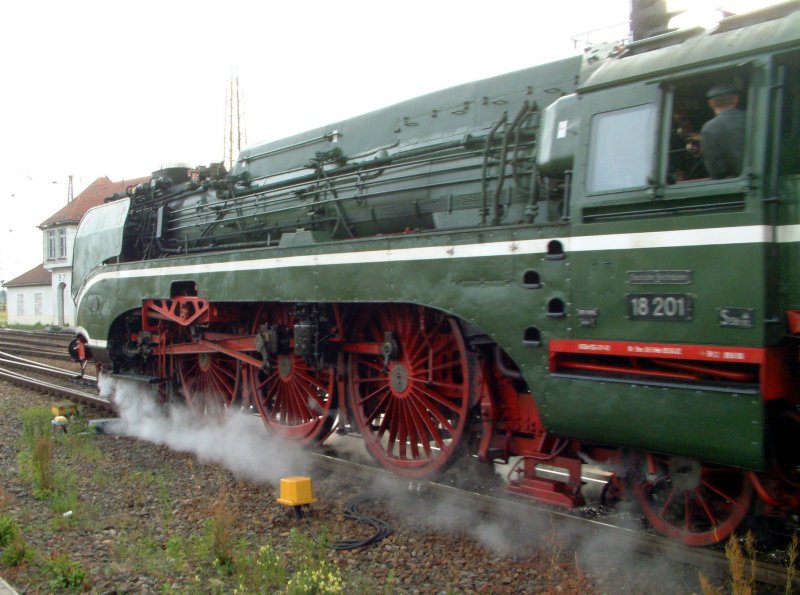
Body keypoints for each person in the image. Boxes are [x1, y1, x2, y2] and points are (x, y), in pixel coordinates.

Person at [700, 84, 745, 179]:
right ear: (736, 99)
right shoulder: (752, 117)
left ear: (711, 103)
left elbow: (717, 171)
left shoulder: (709, 128)